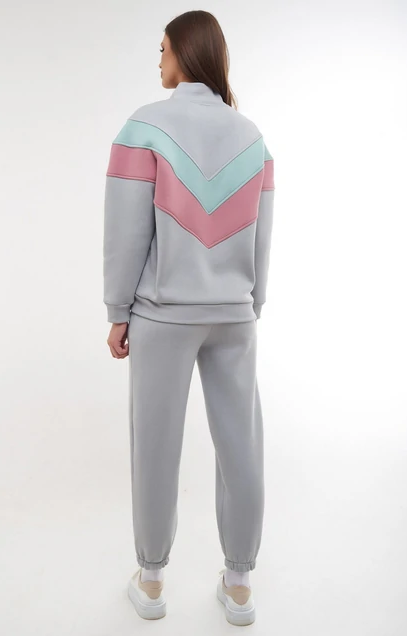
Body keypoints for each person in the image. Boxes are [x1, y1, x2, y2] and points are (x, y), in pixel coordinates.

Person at [103, 9, 275, 626]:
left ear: (183, 52)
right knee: (241, 445)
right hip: (234, 316)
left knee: (155, 445)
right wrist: (251, 304)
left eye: (163, 49)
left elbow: (127, 230)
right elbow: (262, 235)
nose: (158, 60)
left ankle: (151, 581)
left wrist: (117, 310)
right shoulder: (252, 137)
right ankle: (240, 585)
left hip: (163, 316)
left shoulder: (145, 127)